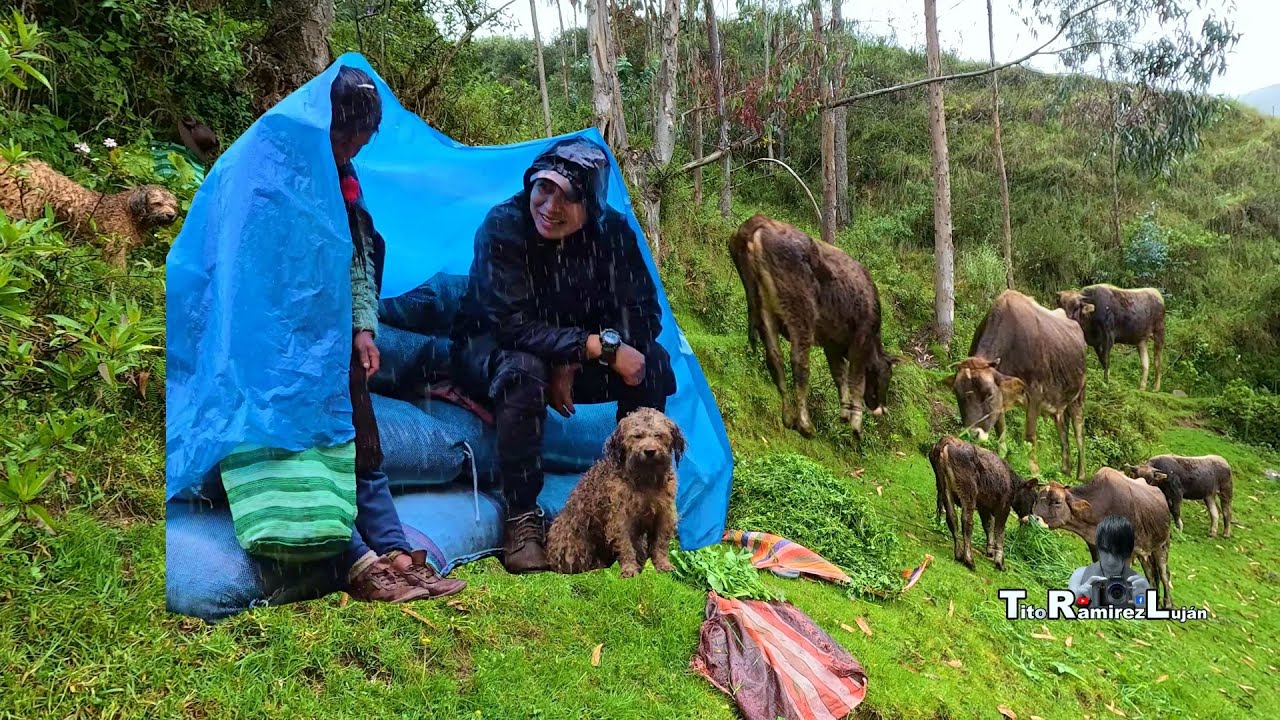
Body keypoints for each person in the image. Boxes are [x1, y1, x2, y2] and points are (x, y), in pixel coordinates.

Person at [450, 136, 678, 574]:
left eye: (567, 197)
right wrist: (584, 347)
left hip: (573, 357)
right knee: (525, 369)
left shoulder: (612, 234)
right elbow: (510, 325)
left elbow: (643, 315)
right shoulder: (503, 226)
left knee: (652, 363)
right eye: (543, 188)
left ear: (589, 205)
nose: (550, 206)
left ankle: (639, 497)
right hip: (490, 351)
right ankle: (521, 519)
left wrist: (581, 356)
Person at [329, 66, 466, 602]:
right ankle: (359, 561)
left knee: (365, 444)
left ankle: (395, 552)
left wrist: (365, 328)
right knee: (319, 449)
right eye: (348, 136)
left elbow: (360, 261)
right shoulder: (291, 175)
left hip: (339, 336)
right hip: (293, 346)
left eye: (363, 138)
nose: (355, 147)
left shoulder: (348, 185)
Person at [1067, 515, 1151, 609]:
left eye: (1118, 552)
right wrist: (1079, 597)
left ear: (1129, 552)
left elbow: (1144, 608)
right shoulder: (1081, 575)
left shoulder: (1138, 583)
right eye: (1105, 551)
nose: (1111, 560)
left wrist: (1144, 601)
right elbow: (1070, 601)